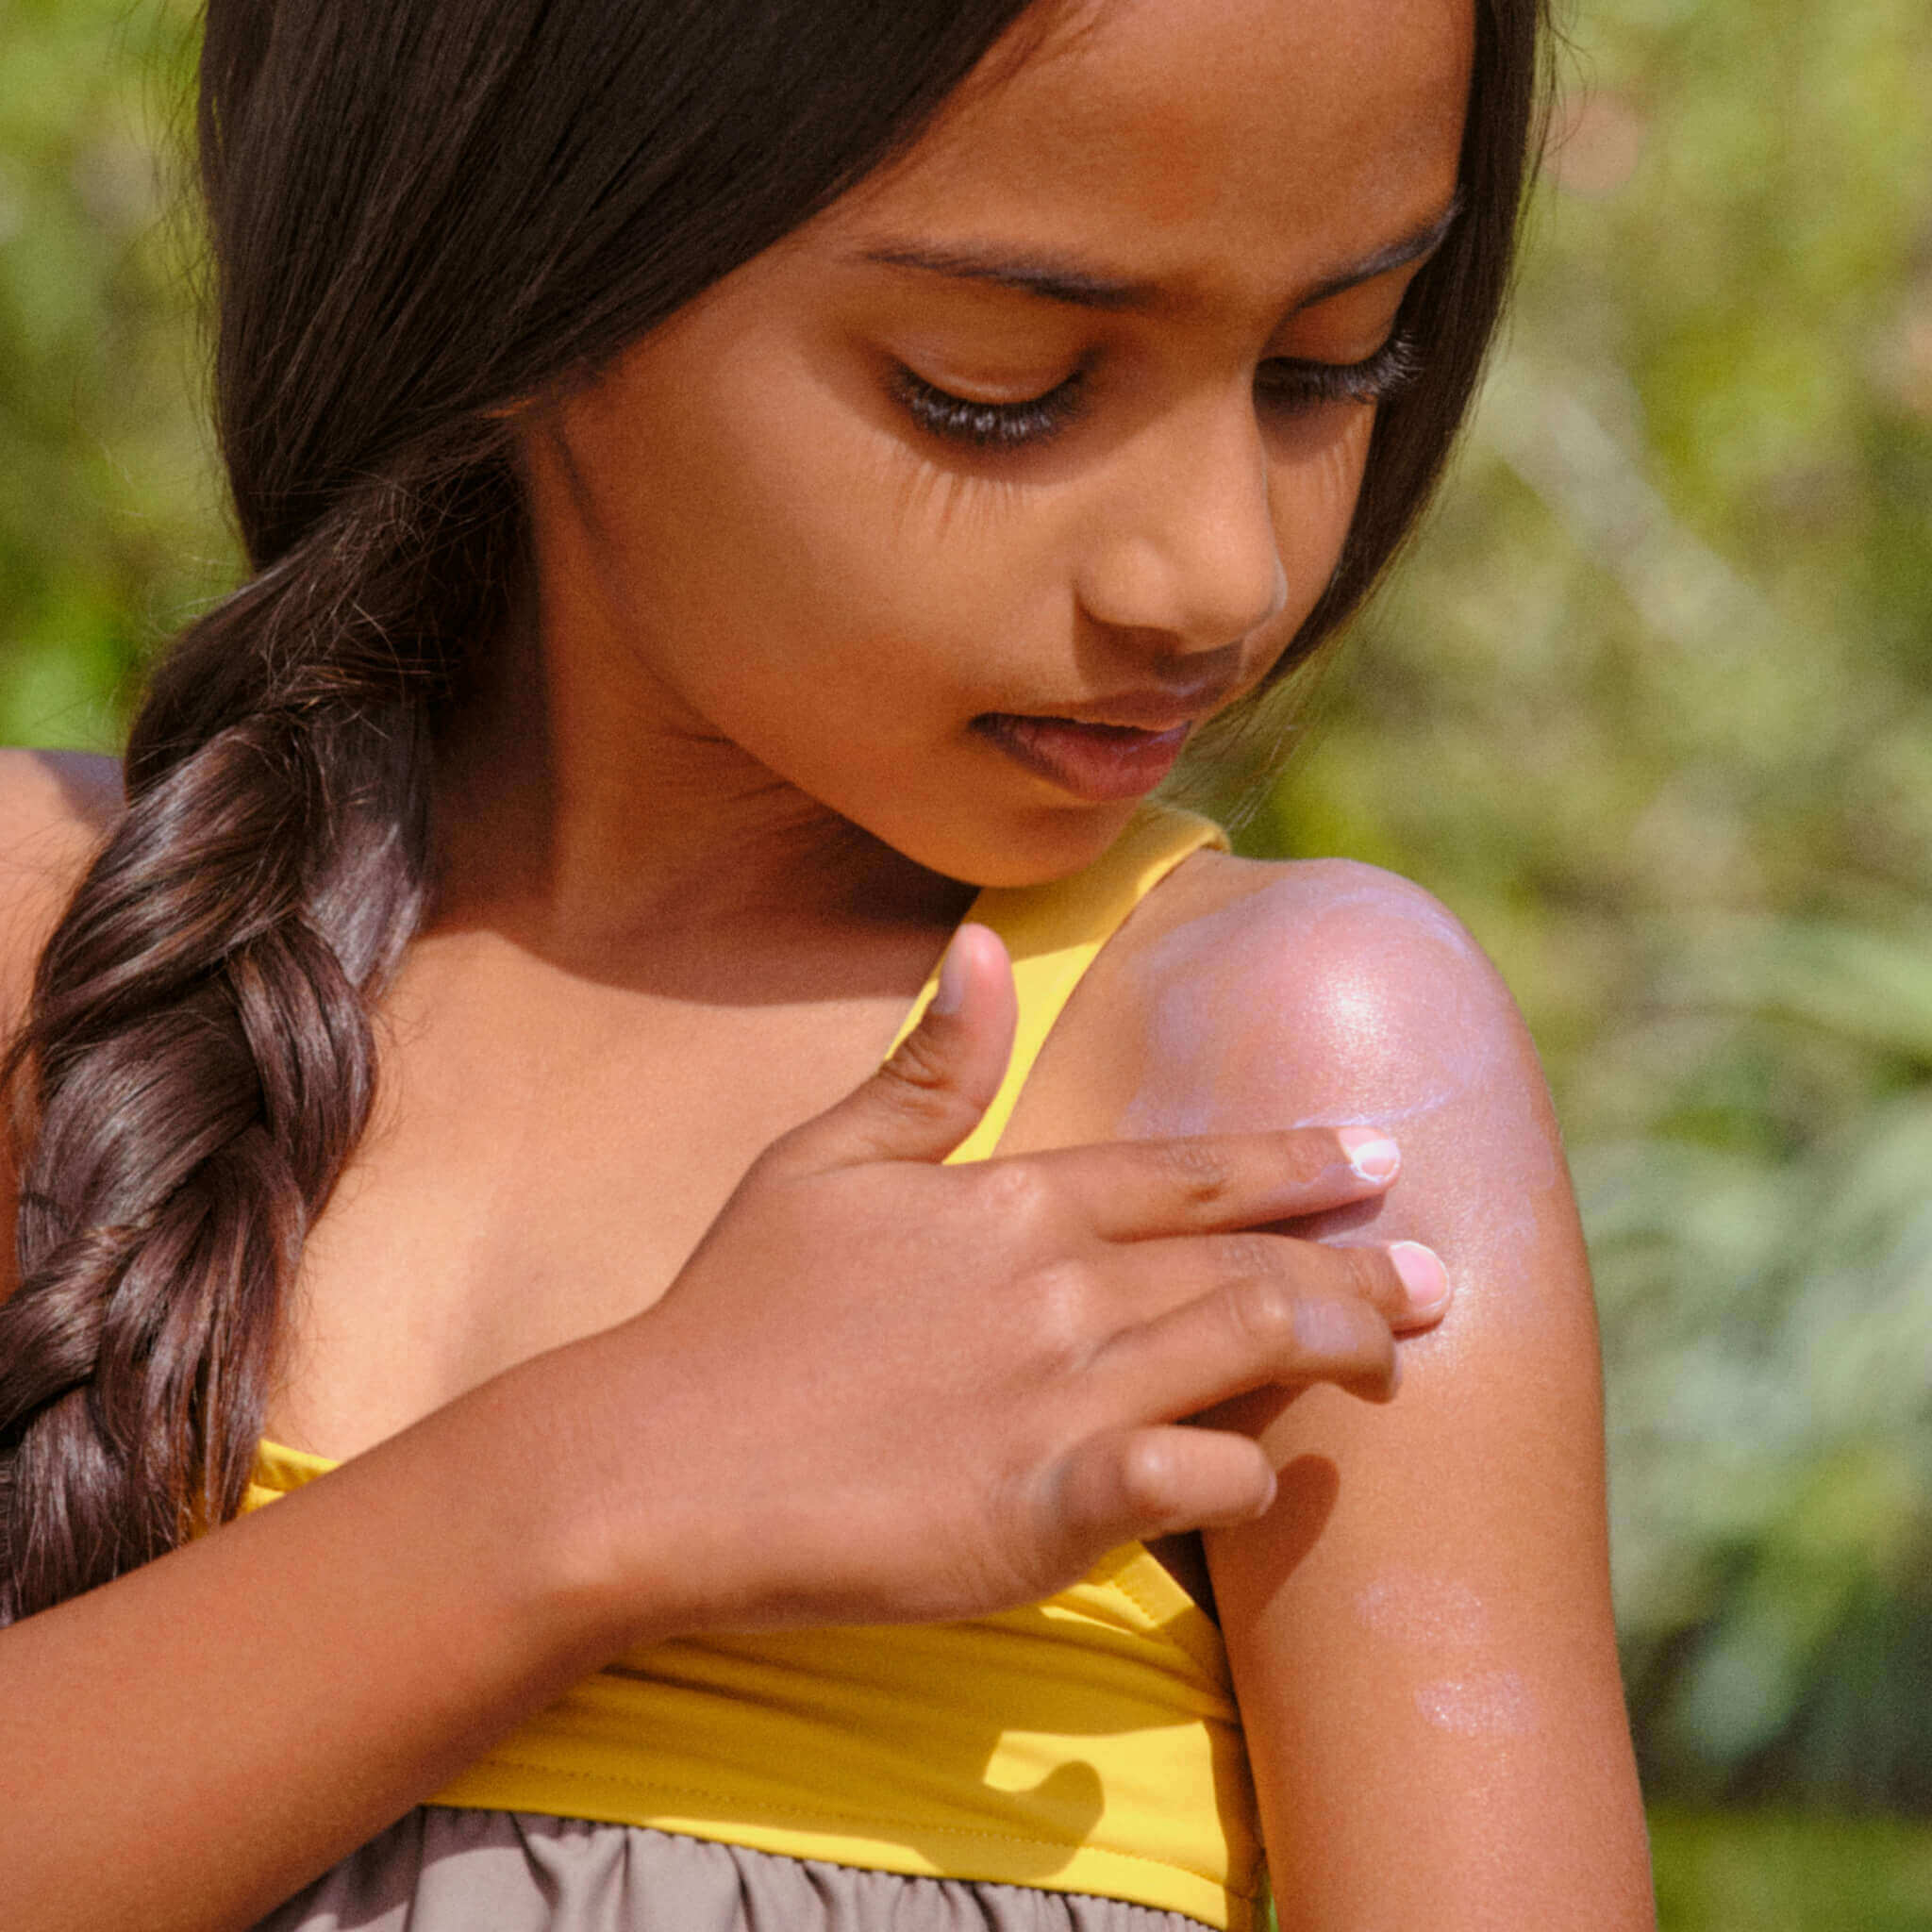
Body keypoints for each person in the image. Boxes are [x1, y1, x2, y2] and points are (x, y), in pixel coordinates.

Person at [0, 0, 1654, 1925]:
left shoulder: (1290, 1068)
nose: (1219, 573)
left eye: (1329, 364)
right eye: (1000, 382)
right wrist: (591, 1493)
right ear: (521, 257)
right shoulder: (58, 939)